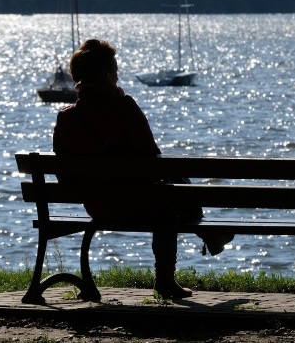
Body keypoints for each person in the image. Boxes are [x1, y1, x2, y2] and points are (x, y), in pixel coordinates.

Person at [52, 39, 231, 299]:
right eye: (115, 69)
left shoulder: (66, 118)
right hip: (138, 204)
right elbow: (152, 157)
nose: (118, 74)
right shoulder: (124, 108)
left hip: (97, 204)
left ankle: (209, 235)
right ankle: (169, 277)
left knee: (171, 186)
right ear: (105, 74)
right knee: (170, 196)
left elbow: (64, 174)